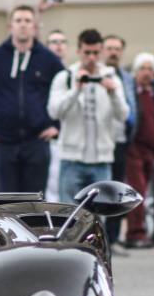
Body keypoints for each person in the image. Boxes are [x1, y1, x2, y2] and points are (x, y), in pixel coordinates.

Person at [0, 6, 64, 194]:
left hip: (37, 141)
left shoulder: (47, 59)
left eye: (27, 21)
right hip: (2, 142)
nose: (23, 25)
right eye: (18, 21)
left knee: (35, 202)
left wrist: (57, 125)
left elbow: (66, 90)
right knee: (8, 202)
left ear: (35, 26)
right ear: (11, 25)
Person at [47, 29, 130, 207]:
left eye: (95, 52)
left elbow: (123, 115)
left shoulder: (111, 77)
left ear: (101, 52)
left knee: (100, 216)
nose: (91, 57)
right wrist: (75, 90)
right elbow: (54, 112)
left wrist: (113, 93)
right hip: (71, 159)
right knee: (69, 214)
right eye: (87, 52)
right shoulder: (65, 77)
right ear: (78, 52)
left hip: (102, 160)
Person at [122, 52, 154, 249]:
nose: (146, 73)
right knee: (136, 192)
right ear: (135, 72)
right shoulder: (132, 95)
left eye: (150, 69)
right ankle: (135, 232)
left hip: (151, 150)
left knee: (145, 192)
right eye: (142, 69)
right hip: (135, 150)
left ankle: (140, 229)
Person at [102, 33, 136, 247]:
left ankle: (113, 239)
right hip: (101, 141)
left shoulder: (126, 78)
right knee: (101, 191)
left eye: (117, 48)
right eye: (110, 48)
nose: (114, 52)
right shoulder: (95, 75)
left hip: (121, 140)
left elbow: (132, 107)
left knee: (116, 190)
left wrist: (131, 126)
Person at [43, 30, 70, 201]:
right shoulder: (41, 74)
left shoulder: (72, 74)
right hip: (47, 139)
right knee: (51, 187)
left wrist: (59, 128)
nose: (58, 44)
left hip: (67, 138)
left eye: (62, 41)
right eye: (53, 41)